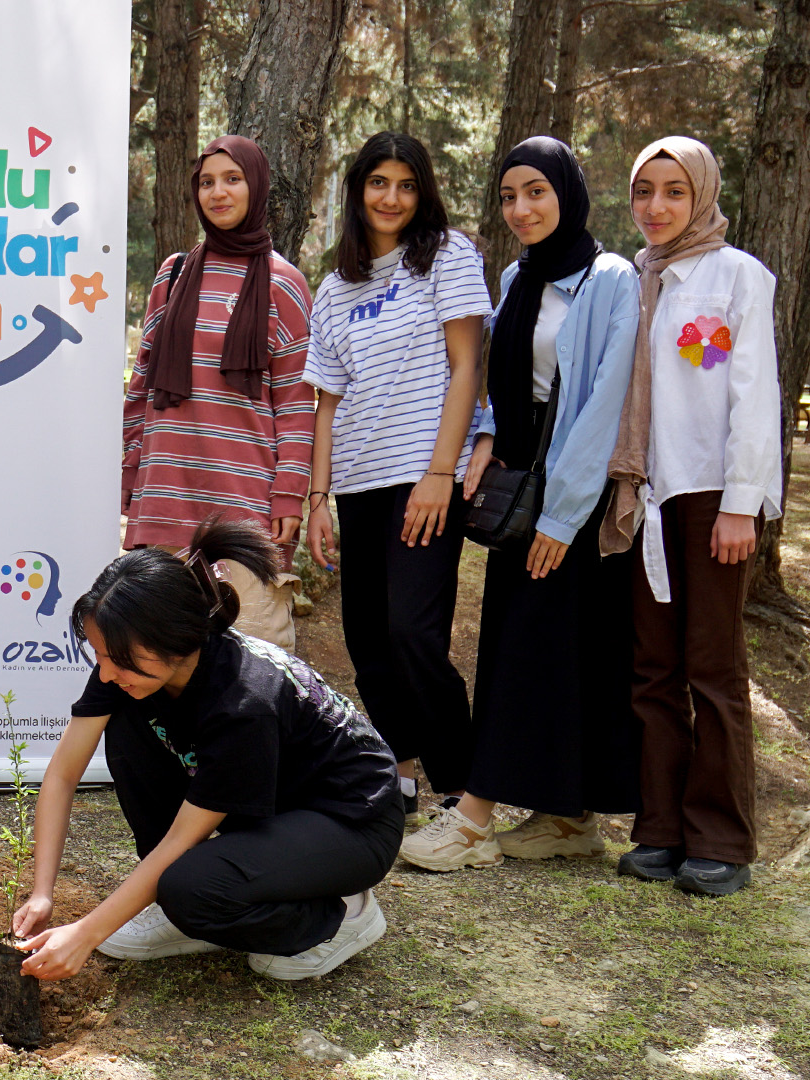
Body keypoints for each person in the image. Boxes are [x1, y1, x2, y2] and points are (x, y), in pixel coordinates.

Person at [12, 519, 401, 983]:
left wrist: (86, 934)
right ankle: (193, 900)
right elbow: (62, 776)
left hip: (350, 823)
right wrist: (42, 893)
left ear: (176, 640)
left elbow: (182, 842)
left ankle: (339, 918)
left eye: (118, 659)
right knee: (127, 728)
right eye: (99, 655)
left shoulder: (244, 702)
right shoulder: (126, 668)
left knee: (190, 889)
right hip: (274, 803)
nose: (106, 672)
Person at [399, 137, 642, 872]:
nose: (521, 209)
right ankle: (568, 818)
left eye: (536, 191)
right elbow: (504, 383)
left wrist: (566, 515)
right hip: (522, 475)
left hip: (576, 484)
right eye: (509, 196)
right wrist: (484, 441)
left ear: (567, 191)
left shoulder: (611, 280)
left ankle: (474, 816)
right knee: (526, 644)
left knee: (548, 646)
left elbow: (607, 400)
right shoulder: (516, 276)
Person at [605, 137, 780, 897]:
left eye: (674, 191)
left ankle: (722, 839)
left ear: (702, 194)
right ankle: (662, 828)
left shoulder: (736, 275)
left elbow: (755, 396)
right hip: (649, 494)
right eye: (645, 192)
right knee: (653, 670)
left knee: (713, 667)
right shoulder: (635, 280)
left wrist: (742, 505)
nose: (657, 208)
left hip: (712, 495)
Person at [301, 132, 492, 825]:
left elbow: (468, 366)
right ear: (358, 192)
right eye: (378, 182)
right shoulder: (335, 285)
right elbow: (326, 402)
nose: (391, 197)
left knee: (414, 634)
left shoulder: (446, 256)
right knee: (368, 643)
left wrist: (442, 472)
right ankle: (400, 775)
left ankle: (461, 789)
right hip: (355, 481)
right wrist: (318, 498)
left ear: (424, 192)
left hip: (422, 478)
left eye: (406, 184)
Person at [121, 135, 313, 650]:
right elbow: (141, 388)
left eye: (232, 180)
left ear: (258, 187)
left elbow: (296, 404)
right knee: (155, 656)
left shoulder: (284, 284)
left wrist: (290, 494)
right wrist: (127, 481)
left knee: (249, 657)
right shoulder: (174, 274)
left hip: (243, 503)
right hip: (163, 496)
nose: (218, 193)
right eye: (206, 182)